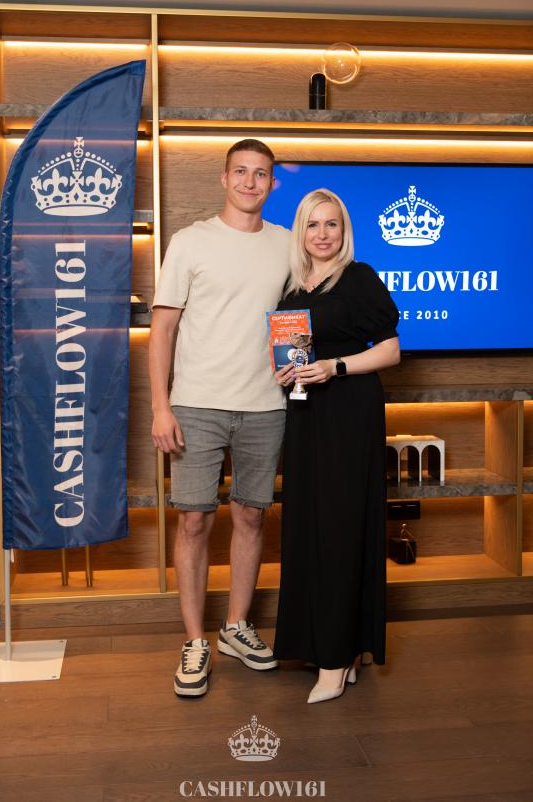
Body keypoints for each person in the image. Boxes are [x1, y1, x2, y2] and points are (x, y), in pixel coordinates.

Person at [149, 139, 290, 698]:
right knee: (193, 522)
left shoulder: (287, 244)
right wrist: (161, 407)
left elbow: (303, 318)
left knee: (252, 517)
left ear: (272, 183)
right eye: (241, 172)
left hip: (266, 404)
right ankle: (194, 640)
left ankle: (235, 627)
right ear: (224, 179)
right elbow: (162, 330)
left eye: (261, 174)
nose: (251, 182)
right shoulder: (190, 241)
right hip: (196, 405)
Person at [273, 188, 400, 704]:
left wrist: (336, 366)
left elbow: (390, 350)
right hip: (305, 414)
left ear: (344, 231)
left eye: (332, 224)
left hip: (349, 412)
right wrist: (285, 372)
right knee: (309, 526)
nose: (322, 234)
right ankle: (334, 649)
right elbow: (293, 352)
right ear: (301, 232)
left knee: (342, 528)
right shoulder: (292, 287)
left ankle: (336, 655)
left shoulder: (358, 277)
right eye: (312, 224)